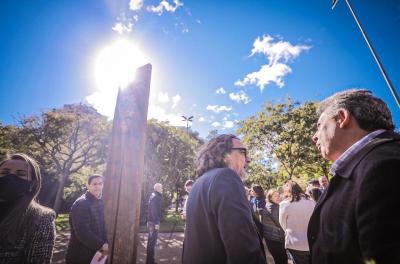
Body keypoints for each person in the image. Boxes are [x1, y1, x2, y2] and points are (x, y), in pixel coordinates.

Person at [308, 89, 400, 264]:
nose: (314, 137)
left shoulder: (386, 165)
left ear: (342, 117)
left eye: (319, 126)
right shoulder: (366, 165)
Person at [182, 134, 266, 264]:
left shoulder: (199, 182)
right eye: (243, 152)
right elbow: (244, 251)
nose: (248, 159)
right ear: (224, 155)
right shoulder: (227, 176)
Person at [0, 153, 56, 264]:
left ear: (32, 183)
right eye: (4, 173)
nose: (10, 178)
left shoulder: (41, 218)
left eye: (20, 174)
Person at [66, 174, 108, 264]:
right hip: (80, 255)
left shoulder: (100, 201)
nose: (98, 186)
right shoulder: (82, 203)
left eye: (100, 183)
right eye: (95, 184)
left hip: (96, 253)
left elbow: (103, 226)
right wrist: (102, 246)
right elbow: (83, 233)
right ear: (88, 185)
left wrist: (105, 245)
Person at [279, 180, 315, 264]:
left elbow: (283, 224)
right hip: (311, 241)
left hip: (295, 242)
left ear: (288, 191)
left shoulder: (284, 204)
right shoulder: (312, 202)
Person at [261, 188, 287, 264]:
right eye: (275, 196)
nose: (278, 198)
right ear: (270, 197)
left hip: (272, 238)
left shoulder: (270, 205)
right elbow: (281, 223)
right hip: (275, 239)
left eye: (278, 196)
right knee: (281, 260)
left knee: (279, 260)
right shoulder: (273, 207)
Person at [146, 183, 163, 264]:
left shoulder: (153, 195)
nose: (162, 189)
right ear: (158, 188)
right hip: (153, 222)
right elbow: (154, 210)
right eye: (161, 188)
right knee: (152, 243)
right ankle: (150, 262)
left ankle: (149, 261)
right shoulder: (156, 197)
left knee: (150, 242)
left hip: (150, 222)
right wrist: (156, 222)